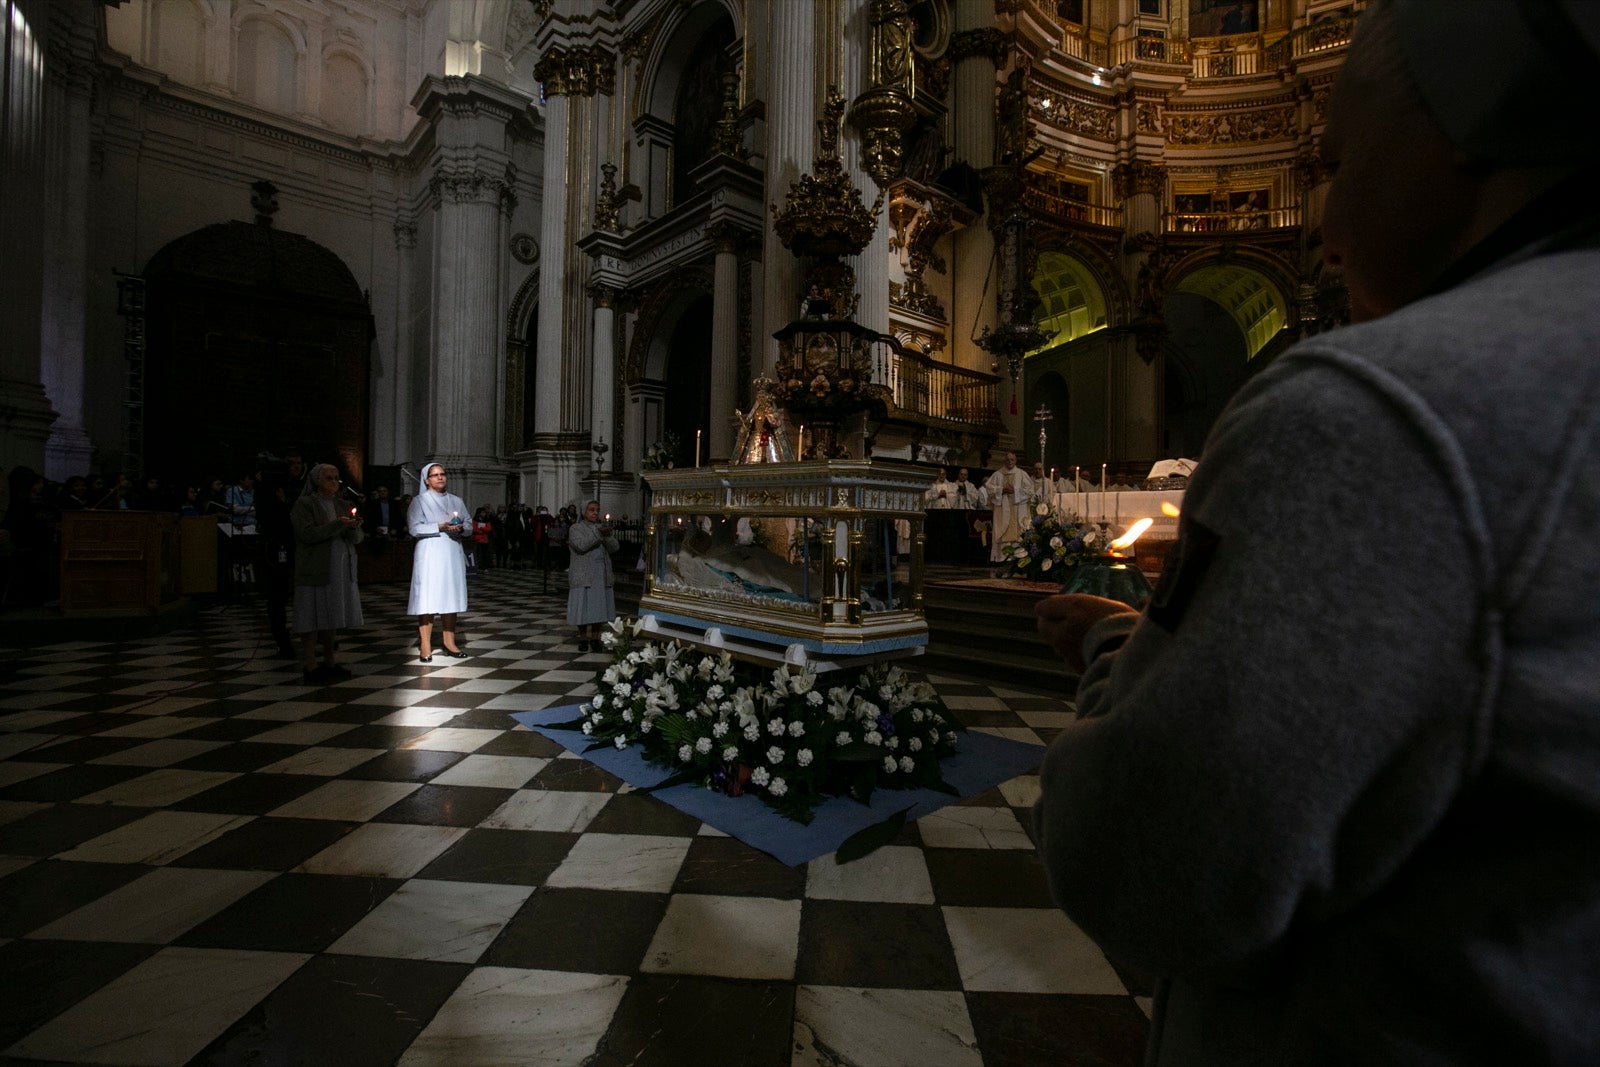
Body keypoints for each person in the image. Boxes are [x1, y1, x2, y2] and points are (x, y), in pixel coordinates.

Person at [1031, 2, 1600, 1063]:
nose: (1322, 224)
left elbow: (1148, 865)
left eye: (1334, 162)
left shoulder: (1368, 408)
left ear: (1461, 129)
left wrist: (1120, 659)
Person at [290, 463, 364, 683]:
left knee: (331, 614)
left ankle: (330, 660)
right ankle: (310, 663)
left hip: (339, 568)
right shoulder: (304, 504)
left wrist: (353, 528)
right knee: (311, 615)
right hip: (316, 567)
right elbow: (307, 534)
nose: (334, 482)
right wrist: (337, 525)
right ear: (316, 481)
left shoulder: (342, 504)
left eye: (336, 477)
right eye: (328, 478)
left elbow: (358, 538)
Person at [406, 462, 472, 661]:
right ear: (426, 480)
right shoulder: (419, 501)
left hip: (451, 551)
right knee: (427, 597)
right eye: (435, 475)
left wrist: (461, 528)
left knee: (449, 596)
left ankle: (449, 642)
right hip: (429, 552)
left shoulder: (456, 500)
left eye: (443, 474)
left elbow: (468, 523)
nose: (440, 477)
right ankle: (425, 644)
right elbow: (414, 527)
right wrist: (439, 526)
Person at [566, 499, 619, 652]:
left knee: (599, 606)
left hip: (600, 573)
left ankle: (596, 638)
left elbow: (615, 547)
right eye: (591, 510)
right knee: (583, 606)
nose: (595, 513)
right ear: (584, 512)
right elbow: (581, 546)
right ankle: (583, 638)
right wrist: (598, 533)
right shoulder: (576, 528)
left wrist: (607, 536)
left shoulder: (600, 528)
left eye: (597, 510)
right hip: (583, 573)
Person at [983, 452, 1033, 562]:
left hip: (1017, 509)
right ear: (1004, 461)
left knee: (1018, 532)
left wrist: (1015, 491)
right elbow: (989, 488)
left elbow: (1030, 491)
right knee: (1002, 530)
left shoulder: (1021, 474)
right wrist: (1001, 490)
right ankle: (1001, 558)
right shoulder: (997, 474)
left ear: (1015, 461)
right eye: (1007, 460)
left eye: (1012, 460)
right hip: (1002, 509)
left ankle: (1017, 558)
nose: (1010, 462)